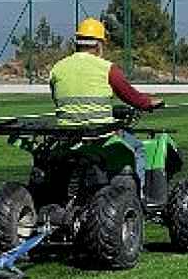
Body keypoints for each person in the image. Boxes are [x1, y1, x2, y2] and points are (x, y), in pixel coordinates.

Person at [48, 17, 162, 180]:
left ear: (77, 42)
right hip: (100, 134)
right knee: (137, 148)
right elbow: (130, 96)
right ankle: (141, 199)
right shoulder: (107, 68)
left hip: (67, 133)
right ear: (99, 45)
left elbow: (56, 98)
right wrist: (148, 103)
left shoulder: (58, 67)